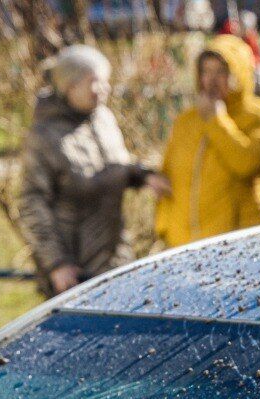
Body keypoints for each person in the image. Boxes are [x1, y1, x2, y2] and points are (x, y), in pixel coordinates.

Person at [18, 46, 167, 297]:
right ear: (69, 86)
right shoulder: (43, 137)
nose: (104, 89)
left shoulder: (104, 119)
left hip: (115, 258)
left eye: (105, 81)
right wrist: (57, 263)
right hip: (74, 271)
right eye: (94, 82)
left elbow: (113, 165)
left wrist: (141, 175)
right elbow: (31, 203)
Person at [155, 34, 260, 249]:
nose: (212, 80)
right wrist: (165, 226)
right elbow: (169, 174)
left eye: (221, 72)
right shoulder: (186, 121)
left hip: (244, 245)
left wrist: (217, 121)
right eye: (206, 71)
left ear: (239, 73)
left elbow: (247, 164)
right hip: (188, 246)